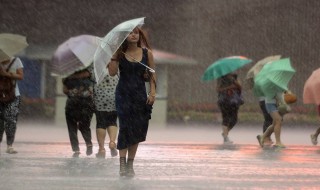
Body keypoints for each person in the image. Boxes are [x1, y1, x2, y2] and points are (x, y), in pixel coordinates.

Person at [108, 27, 156, 177]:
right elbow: (112, 72)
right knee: (125, 127)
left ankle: (130, 164)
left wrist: (152, 92)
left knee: (137, 130)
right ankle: (122, 163)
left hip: (139, 95)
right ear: (125, 37)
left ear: (139, 35)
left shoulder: (147, 53)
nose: (133, 35)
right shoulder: (120, 54)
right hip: (123, 94)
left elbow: (153, 74)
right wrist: (114, 56)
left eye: (136, 32)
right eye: (130, 33)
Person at [63, 68, 95, 157]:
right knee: (85, 125)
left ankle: (76, 149)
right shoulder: (90, 75)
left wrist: (73, 91)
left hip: (72, 104)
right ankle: (89, 143)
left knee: (72, 127)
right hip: (86, 103)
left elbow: (65, 90)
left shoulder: (67, 76)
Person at [89, 65, 119, 158]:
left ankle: (101, 149)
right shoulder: (116, 67)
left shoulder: (95, 68)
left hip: (99, 98)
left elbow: (90, 81)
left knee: (101, 123)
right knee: (112, 121)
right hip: (113, 98)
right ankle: (112, 142)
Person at [0, 57, 24, 154]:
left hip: (13, 95)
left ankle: (10, 145)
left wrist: (6, 74)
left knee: (11, 120)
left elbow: (21, 76)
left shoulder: (16, 60)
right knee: (0, 122)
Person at [216, 72, 242, 144]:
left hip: (234, 101)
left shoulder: (235, 76)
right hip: (224, 100)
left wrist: (235, 82)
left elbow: (240, 87)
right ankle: (225, 137)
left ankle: (225, 133)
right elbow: (218, 89)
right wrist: (228, 87)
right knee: (226, 118)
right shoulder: (221, 77)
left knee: (234, 120)